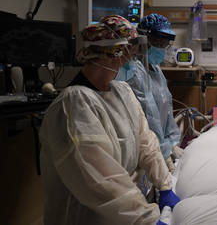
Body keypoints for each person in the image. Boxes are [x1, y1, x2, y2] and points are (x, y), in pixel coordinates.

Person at [39, 15, 179, 225]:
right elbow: (101, 180)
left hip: (123, 214)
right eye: (128, 53)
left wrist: (164, 184)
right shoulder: (74, 104)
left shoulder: (122, 91)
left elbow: (146, 141)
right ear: (113, 53)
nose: (131, 59)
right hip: (84, 217)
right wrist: (145, 219)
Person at [116, 13, 183, 173]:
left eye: (165, 43)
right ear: (145, 41)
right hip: (144, 148)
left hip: (161, 145)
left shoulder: (156, 70)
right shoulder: (133, 72)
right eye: (159, 42)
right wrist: (163, 151)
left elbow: (166, 109)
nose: (163, 47)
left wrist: (173, 143)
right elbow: (149, 114)